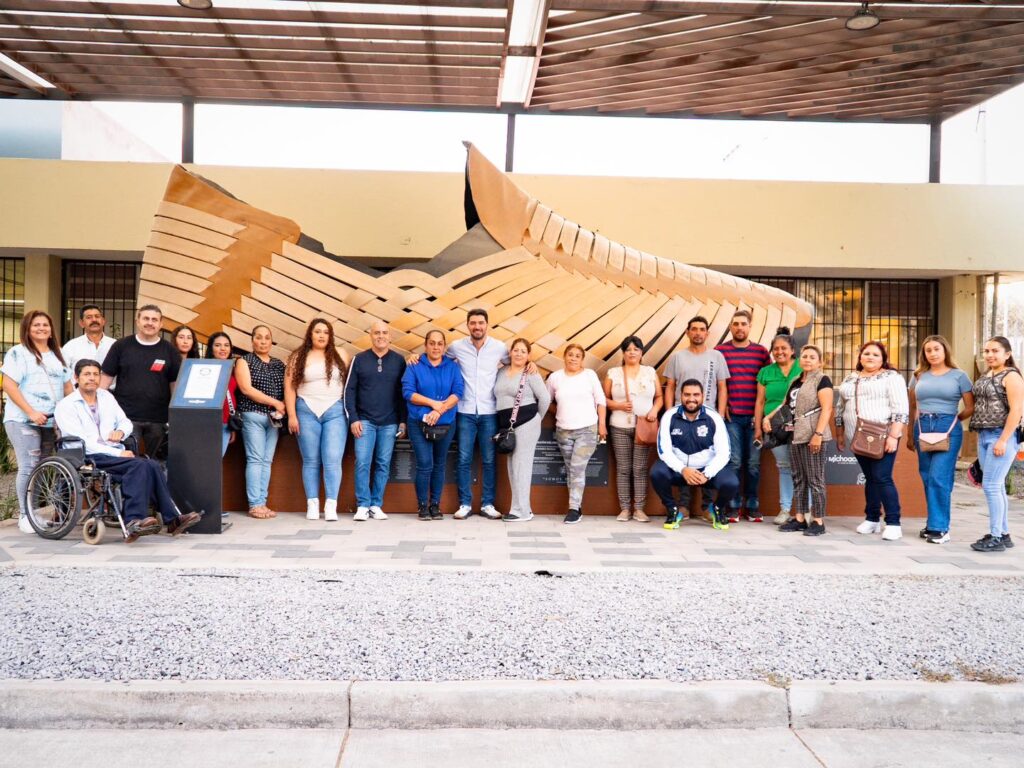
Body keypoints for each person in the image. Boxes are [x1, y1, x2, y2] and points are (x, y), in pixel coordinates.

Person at [54, 359, 202, 543]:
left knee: (152, 465)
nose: (92, 378)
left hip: (113, 450)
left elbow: (125, 421)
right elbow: (82, 441)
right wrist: (118, 453)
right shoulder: (66, 405)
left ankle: (172, 520)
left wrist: (121, 432)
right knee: (139, 466)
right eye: (87, 374)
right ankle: (134, 520)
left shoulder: (106, 397)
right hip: (87, 455)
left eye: (95, 374)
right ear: (76, 377)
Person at [1, 310, 73, 534]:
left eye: (45, 325)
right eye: (36, 325)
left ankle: (33, 513)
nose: (41, 328)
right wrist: (31, 412)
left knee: (43, 468)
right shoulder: (18, 353)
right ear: (27, 329)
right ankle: (25, 515)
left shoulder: (59, 354)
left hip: (51, 423)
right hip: (22, 420)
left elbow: (67, 387)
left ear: (51, 329)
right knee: (28, 466)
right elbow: (9, 385)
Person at [835, 341, 909, 541]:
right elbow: (840, 408)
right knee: (871, 477)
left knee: (882, 477)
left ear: (883, 359)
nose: (870, 357)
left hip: (882, 436)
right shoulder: (851, 378)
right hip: (856, 438)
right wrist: (840, 434)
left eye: (876, 354)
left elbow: (901, 409)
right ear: (860, 357)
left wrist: (893, 436)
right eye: (866, 353)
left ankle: (893, 523)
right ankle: (872, 518)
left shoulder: (892, 377)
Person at [907, 335, 974, 545]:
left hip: (948, 427)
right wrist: (910, 434)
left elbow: (970, 407)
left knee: (939, 477)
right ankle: (933, 522)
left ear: (945, 351)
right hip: (922, 427)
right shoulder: (918, 375)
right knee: (927, 476)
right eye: (928, 350)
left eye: (937, 349)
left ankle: (941, 528)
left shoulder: (959, 376)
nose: (933, 353)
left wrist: (954, 420)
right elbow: (913, 407)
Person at [285, 319, 350, 522]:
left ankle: (331, 505)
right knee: (311, 460)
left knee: (332, 459)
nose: (321, 335)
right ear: (310, 334)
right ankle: (312, 504)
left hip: (335, 410)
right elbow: (290, 387)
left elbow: (351, 383)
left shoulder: (341, 354)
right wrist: (292, 415)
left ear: (330, 336)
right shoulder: (298, 356)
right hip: (306, 410)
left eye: (325, 332)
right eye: (317, 331)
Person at [651, 379, 735, 531]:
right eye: (687, 394)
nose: (691, 399)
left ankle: (717, 509)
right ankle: (672, 509)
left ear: (702, 396)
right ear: (680, 395)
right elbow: (664, 450)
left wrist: (707, 473)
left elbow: (724, 452)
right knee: (657, 473)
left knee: (731, 483)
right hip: (680, 470)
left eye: (696, 395)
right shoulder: (670, 416)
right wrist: (683, 469)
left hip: (706, 471)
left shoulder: (714, 417)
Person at [100, 304, 180, 460]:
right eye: (146, 318)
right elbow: (105, 381)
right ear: (137, 321)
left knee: (157, 463)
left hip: (159, 419)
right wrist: (97, 411)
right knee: (128, 461)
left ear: (161, 324)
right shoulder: (121, 346)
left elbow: (175, 385)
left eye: (154, 320)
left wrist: (175, 415)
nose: (150, 323)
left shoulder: (169, 350)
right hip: (126, 418)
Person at [345, 321, 406, 522]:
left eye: (384, 333)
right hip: (364, 421)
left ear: (390, 336)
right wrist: (353, 418)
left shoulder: (399, 361)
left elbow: (403, 394)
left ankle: (376, 505)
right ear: (370, 336)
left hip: (390, 422)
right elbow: (349, 391)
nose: (381, 336)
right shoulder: (359, 359)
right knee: (363, 462)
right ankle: (363, 505)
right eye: (377, 333)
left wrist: (403, 421)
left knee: (383, 464)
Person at [967, 336, 1023, 553]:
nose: (990, 355)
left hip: (1001, 435)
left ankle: (996, 536)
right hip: (983, 435)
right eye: (987, 351)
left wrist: (1003, 440)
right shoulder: (986, 375)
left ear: (1007, 354)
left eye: (995, 351)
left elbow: (1017, 411)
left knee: (990, 486)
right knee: (996, 486)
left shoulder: (1012, 376)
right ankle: (1004, 533)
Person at [715, 310, 770, 523]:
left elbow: (769, 382)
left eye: (743, 324)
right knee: (735, 462)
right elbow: (716, 382)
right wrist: (722, 405)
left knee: (753, 464)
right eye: (736, 324)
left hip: (755, 418)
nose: (739, 327)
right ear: (730, 326)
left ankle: (752, 506)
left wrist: (763, 415)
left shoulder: (761, 352)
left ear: (750, 326)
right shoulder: (720, 351)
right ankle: (733, 506)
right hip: (733, 418)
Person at [402, 329, 463, 520]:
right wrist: (432, 404)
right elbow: (408, 392)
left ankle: (435, 505)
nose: (436, 347)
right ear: (426, 345)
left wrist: (439, 410)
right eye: (432, 343)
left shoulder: (452, 367)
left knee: (439, 464)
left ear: (444, 346)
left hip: (446, 422)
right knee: (425, 464)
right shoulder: (415, 365)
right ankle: (422, 506)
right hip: (418, 422)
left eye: (439, 343)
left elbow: (458, 392)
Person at [546, 344, 607, 525]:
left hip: (587, 429)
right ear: (564, 357)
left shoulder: (590, 375)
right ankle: (576, 507)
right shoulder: (555, 378)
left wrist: (602, 425)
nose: (573, 358)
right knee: (570, 469)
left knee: (577, 468)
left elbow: (601, 400)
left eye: (577, 356)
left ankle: (573, 508)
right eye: (570, 355)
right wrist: (559, 412)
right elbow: (547, 401)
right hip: (563, 430)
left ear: (582, 359)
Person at [603, 335, 661, 522]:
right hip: (619, 426)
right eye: (628, 349)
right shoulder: (613, 373)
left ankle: (639, 509)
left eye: (636, 349)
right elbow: (603, 399)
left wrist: (654, 410)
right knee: (623, 468)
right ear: (623, 353)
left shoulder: (650, 372)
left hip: (644, 427)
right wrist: (618, 405)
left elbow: (659, 397)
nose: (632, 352)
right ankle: (625, 508)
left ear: (641, 352)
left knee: (640, 468)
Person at [777, 345, 833, 536]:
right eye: (804, 356)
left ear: (820, 362)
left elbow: (827, 408)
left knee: (815, 480)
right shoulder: (796, 380)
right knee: (799, 478)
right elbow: (786, 406)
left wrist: (818, 434)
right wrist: (769, 418)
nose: (807, 359)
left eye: (812, 357)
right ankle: (800, 518)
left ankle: (818, 521)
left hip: (813, 435)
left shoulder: (822, 379)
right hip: (796, 435)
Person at [495, 338, 550, 523]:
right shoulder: (501, 371)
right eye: (516, 350)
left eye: (523, 351)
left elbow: (545, 398)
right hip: (508, 426)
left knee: (522, 467)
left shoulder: (531, 372)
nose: (519, 354)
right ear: (510, 352)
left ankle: (523, 512)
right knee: (513, 467)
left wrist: (537, 419)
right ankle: (517, 508)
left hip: (527, 424)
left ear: (528, 356)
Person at [235, 325, 286, 520]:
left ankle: (262, 502)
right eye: (258, 337)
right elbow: (246, 389)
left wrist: (283, 406)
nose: (263, 341)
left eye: (267, 338)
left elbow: (287, 388)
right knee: (255, 459)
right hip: (253, 415)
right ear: (252, 340)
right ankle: (255, 504)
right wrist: (275, 402)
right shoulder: (244, 361)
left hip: (274, 419)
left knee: (266, 461)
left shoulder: (278, 364)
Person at [755, 327, 802, 525]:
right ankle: (785, 509)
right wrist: (758, 427)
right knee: (784, 467)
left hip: (801, 425)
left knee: (803, 467)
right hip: (775, 427)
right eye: (775, 349)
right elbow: (760, 402)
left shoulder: (803, 367)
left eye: (783, 348)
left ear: (792, 350)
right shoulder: (766, 372)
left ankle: (806, 510)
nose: (779, 352)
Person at [664, 316, 729, 416]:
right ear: (687, 332)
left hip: (708, 413)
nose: (698, 333)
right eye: (694, 329)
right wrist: (669, 414)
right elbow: (670, 387)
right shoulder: (676, 357)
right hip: (681, 413)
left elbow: (722, 388)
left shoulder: (717, 356)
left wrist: (720, 415)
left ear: (707, 334)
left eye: (702, 329)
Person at [204, 331, 238, 458]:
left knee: (216, 462)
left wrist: (232, 427)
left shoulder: (232, 369)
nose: (223, 348)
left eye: (226, 345)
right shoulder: (205, 369)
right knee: (208, 461)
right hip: (209, 423)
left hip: (226, 424)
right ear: (211, 349)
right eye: (218, 345)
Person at [60, 304, 116, 371]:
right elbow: (63, 372)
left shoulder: (115, 344)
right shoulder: (71, 346)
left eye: (97, 316)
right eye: (89, 317)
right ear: (81, 323)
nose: (94, 320)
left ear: (103, 321)